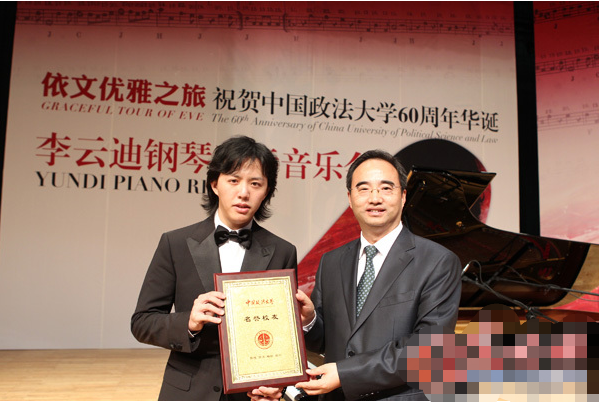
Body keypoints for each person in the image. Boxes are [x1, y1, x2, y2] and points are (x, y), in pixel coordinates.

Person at [131, 135, 297, 401]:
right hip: (188, 392)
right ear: (214, 183)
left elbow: (283, 335)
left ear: (266, 191)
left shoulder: (283, 251)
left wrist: (278, 385)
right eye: (233, 180)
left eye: (255, 183)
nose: (244, 192)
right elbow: (142, 322)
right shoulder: (175, 243)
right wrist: (189, 322)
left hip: (252, 395)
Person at [294, 149, 462, 400]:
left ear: (403, 197)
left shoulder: (438, 261)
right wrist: (309, 320)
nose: (375, 198)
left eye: (386, 188)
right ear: (350, 198)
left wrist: (346, 374)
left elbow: (429, 349)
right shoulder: (331, 261)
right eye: (363, 189)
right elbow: (329, 341)